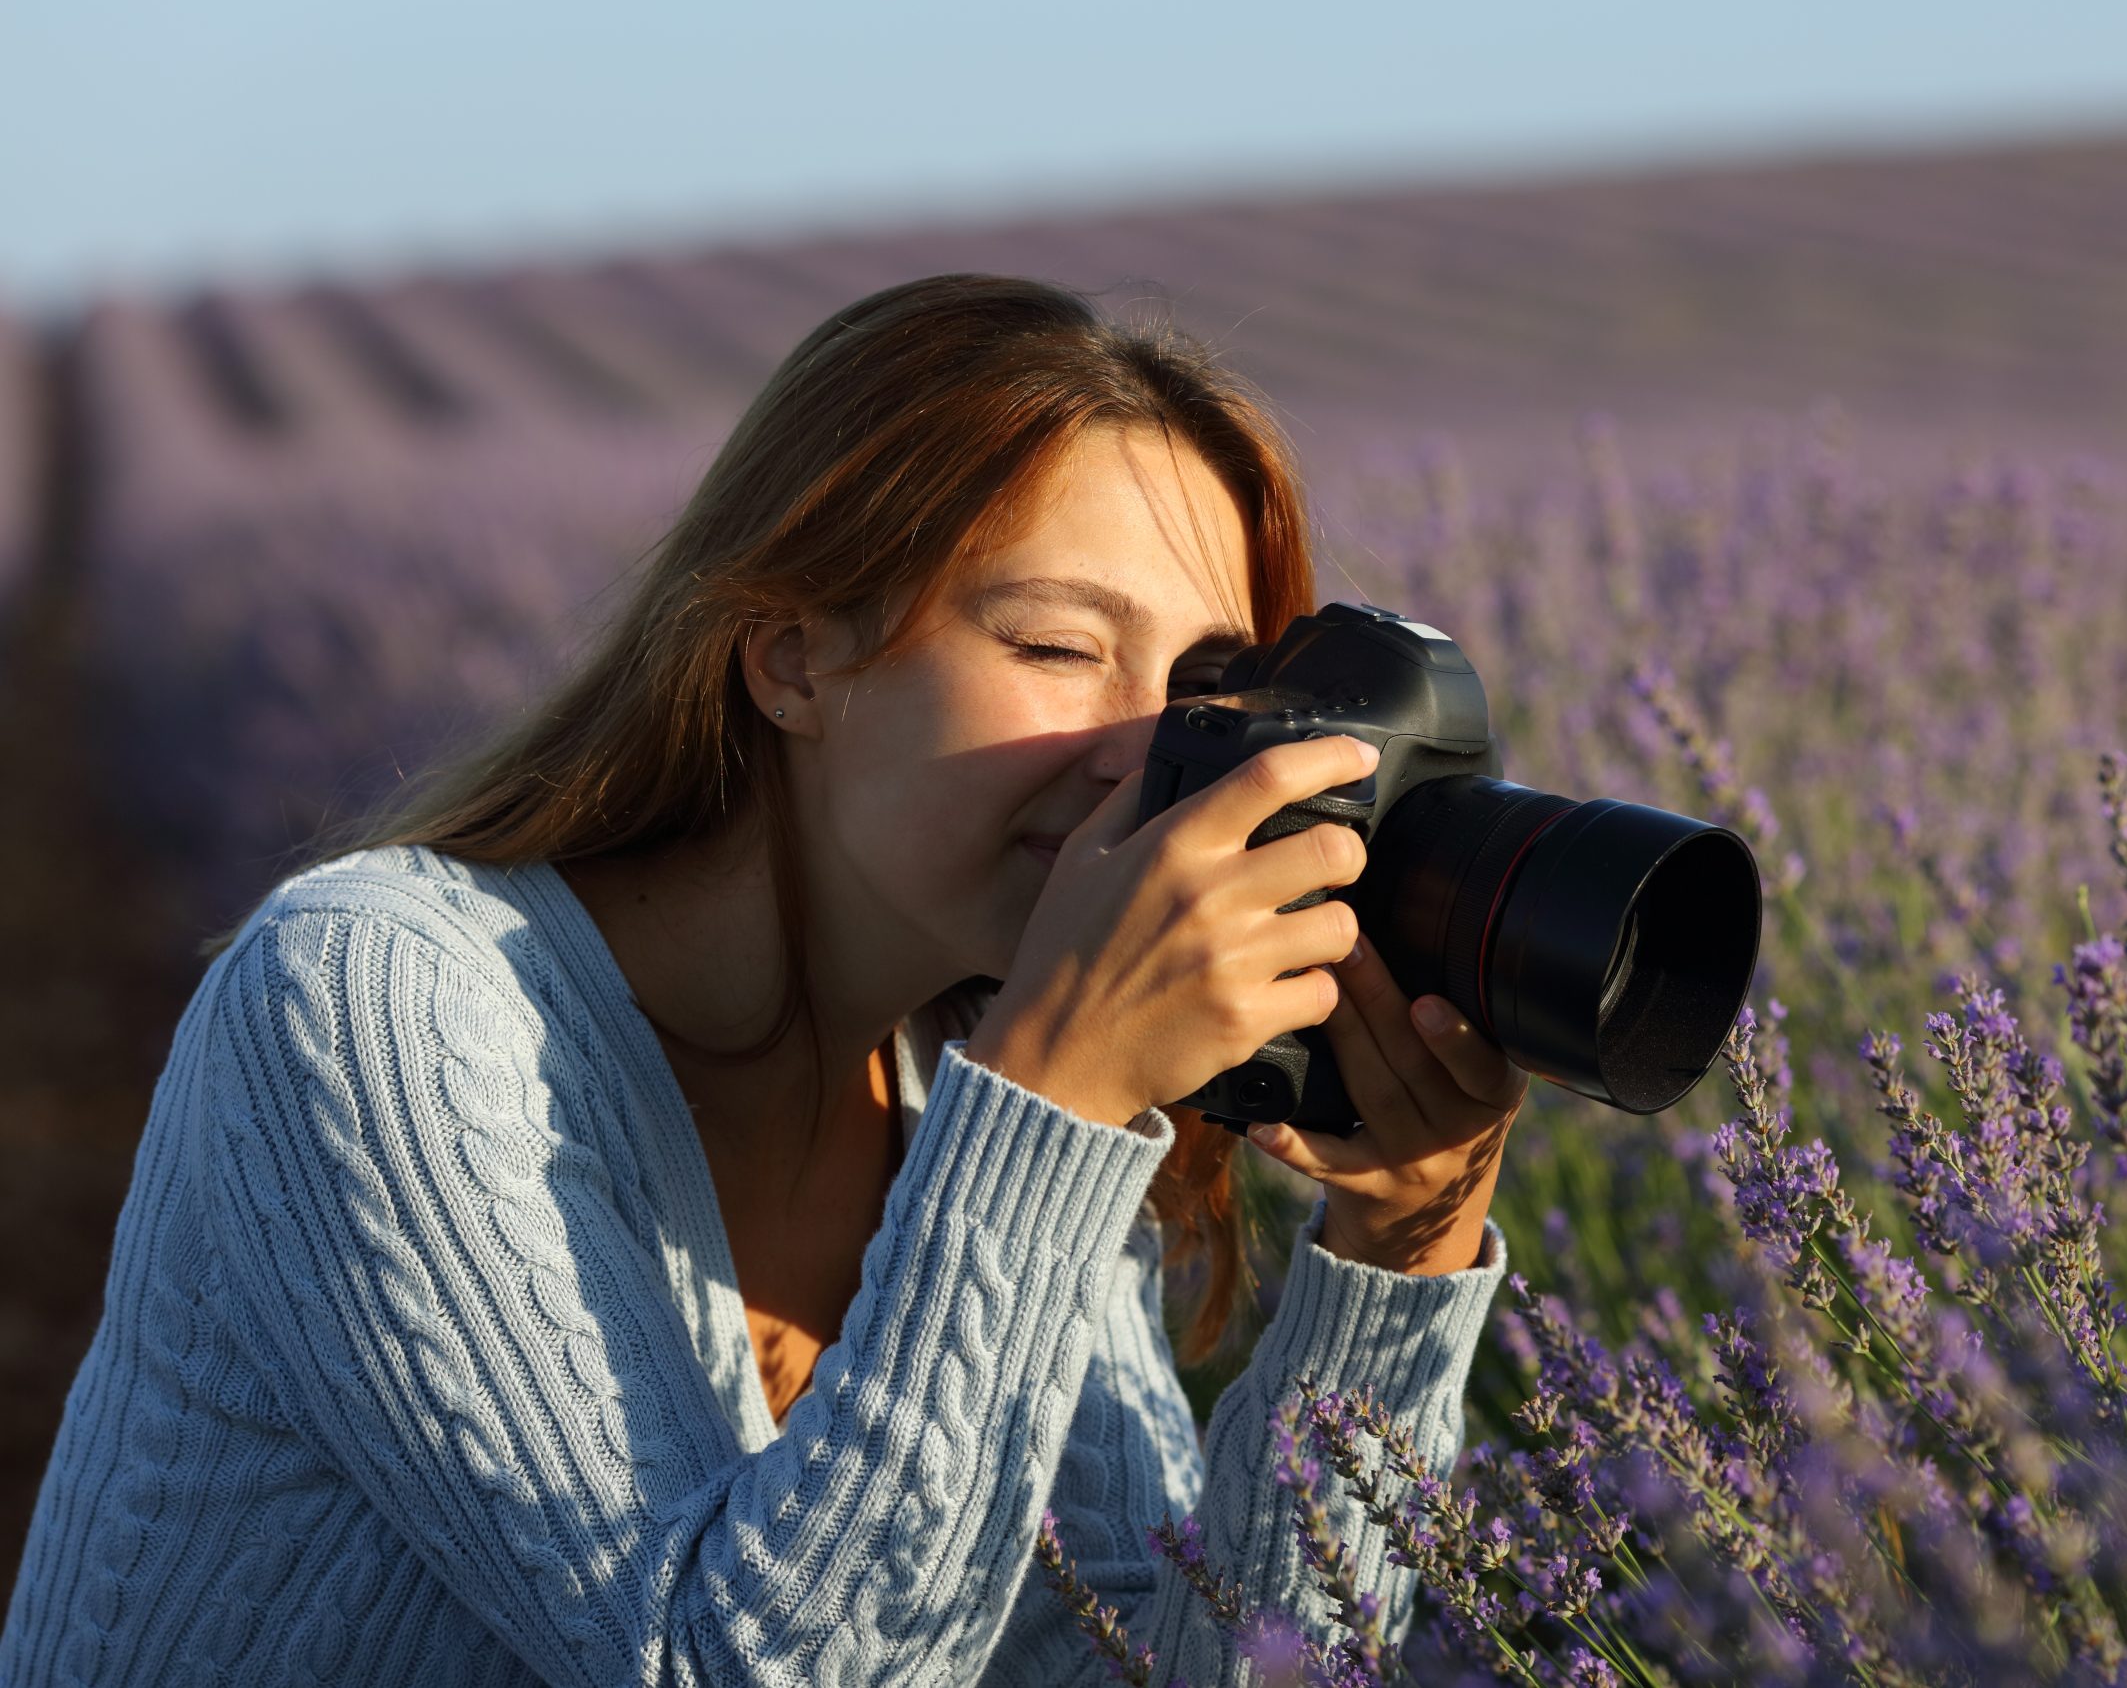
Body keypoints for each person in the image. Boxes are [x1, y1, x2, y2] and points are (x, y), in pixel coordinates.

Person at [0, 273, 1525, 1685]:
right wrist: (1052, 1106)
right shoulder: (376, 999)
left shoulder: (971, 1083)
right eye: (1062, 648)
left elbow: (1163, 1669)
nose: (1151, 758)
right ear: (792, 658)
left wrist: (1397, 1253)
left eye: (1206, 688)